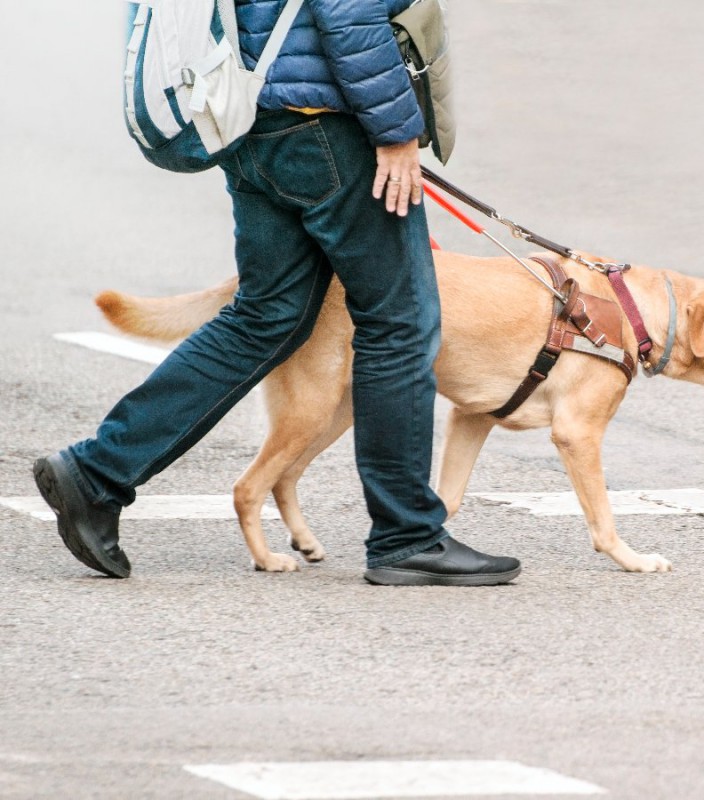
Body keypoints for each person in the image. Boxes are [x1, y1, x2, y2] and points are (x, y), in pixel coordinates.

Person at [32, 0, 520, 587]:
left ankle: (96, 471)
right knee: (400, 322)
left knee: (264, 317)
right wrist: (396, 134)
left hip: (249, 120)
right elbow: (349, 15)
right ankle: (407, 537)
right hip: (328, 125)